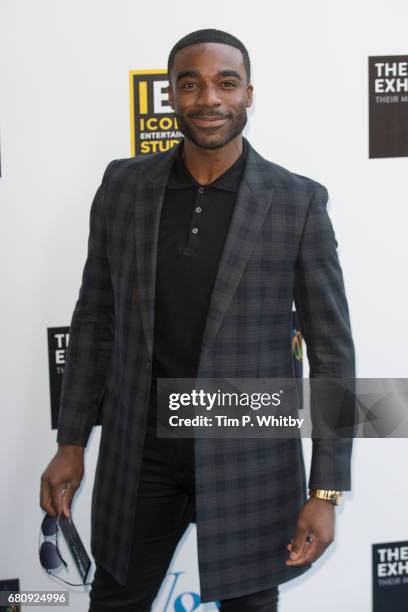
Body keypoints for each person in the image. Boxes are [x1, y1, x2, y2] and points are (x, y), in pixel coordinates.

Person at [40, 28, 355, 611]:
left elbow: (332, 355)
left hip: (250, 456)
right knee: (114, 601)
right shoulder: (123, 186)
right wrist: (71, 441)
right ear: (171, 96)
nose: (208, 98)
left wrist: (327, 489)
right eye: (190, 84)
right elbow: (94, 321)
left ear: (249, 94)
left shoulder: (297, 202)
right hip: (142, 453)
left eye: (225, 83)